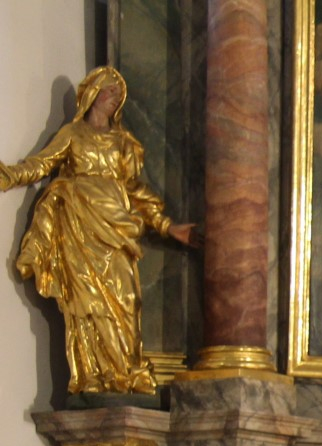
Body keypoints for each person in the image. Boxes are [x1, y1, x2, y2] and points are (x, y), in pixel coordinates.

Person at [0, 67, 198, 397]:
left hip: (116, 226)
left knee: (127, 299)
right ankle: (91, 375)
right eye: (109, 91)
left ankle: (125, 372)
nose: (114, 98)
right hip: (80, 226)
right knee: (84, 302)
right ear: (92, 94)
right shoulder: (72, 134)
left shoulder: (123, 143)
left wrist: (166, 226)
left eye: (119, 94)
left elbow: (135, 190)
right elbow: (41, 165)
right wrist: (8, 176)